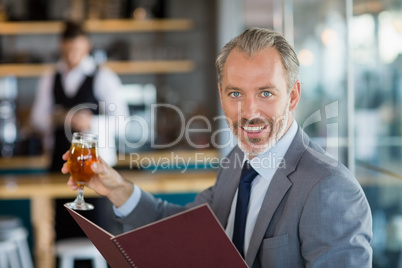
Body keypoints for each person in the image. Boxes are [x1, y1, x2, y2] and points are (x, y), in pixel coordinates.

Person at [62, 27, 372, 267]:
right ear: (221, 95)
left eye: (266, 93)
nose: (249, 112)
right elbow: (183, 231)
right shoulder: (238, 161)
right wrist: (117, 188)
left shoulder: (331, 189)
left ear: (292, 96)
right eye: (236, 94)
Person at [30, 20, 129, 171]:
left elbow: (123, 123)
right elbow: (36, 119)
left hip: (95, 166)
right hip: (59, 164)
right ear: (60, 46)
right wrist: (60, 117)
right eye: (67, 50)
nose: (71, 56)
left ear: (87, 45)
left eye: (76, 50)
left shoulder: (104, 77)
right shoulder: (50, 77)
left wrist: (90, 122)